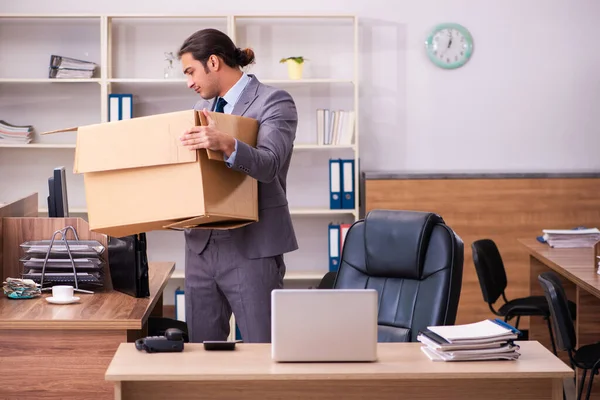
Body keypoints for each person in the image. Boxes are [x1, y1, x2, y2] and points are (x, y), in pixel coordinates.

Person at [177, 28, 299, 344]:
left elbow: (270, 164)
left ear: (213, 62)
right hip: (201, 246)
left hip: (252, 245)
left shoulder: (274, 101)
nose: (189, 82)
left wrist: (228, 144)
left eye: (191, 71)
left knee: (263, 348)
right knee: (202, 351)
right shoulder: (201, 112)